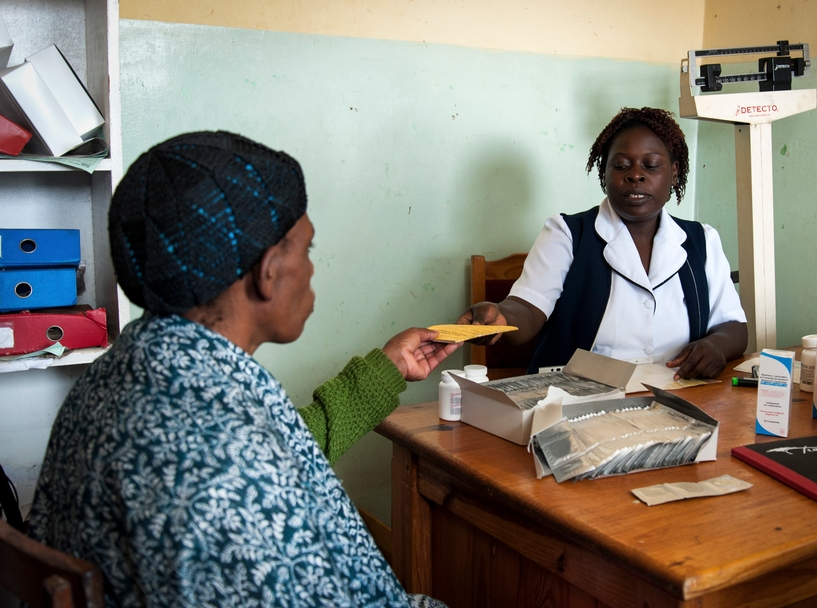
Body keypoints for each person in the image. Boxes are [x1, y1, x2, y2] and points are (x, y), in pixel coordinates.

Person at [27, 131, 457, 608]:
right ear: (268, 271)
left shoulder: (123, 375)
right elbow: (244, 471)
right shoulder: (225, 470)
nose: (312, 270)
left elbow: (278, 449)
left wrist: (386, 370)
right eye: (307, 250)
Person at [459, 107, 747, 379]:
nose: (636, 174)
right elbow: (528, 309)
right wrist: (502, 316)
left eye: (651, 165)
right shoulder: (567, 233)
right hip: (579, 400)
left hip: (680, 394)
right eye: (621, 165)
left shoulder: (702, 241)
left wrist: (717, 346)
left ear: (673, 173)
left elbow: (733, 326)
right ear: (604, 173)